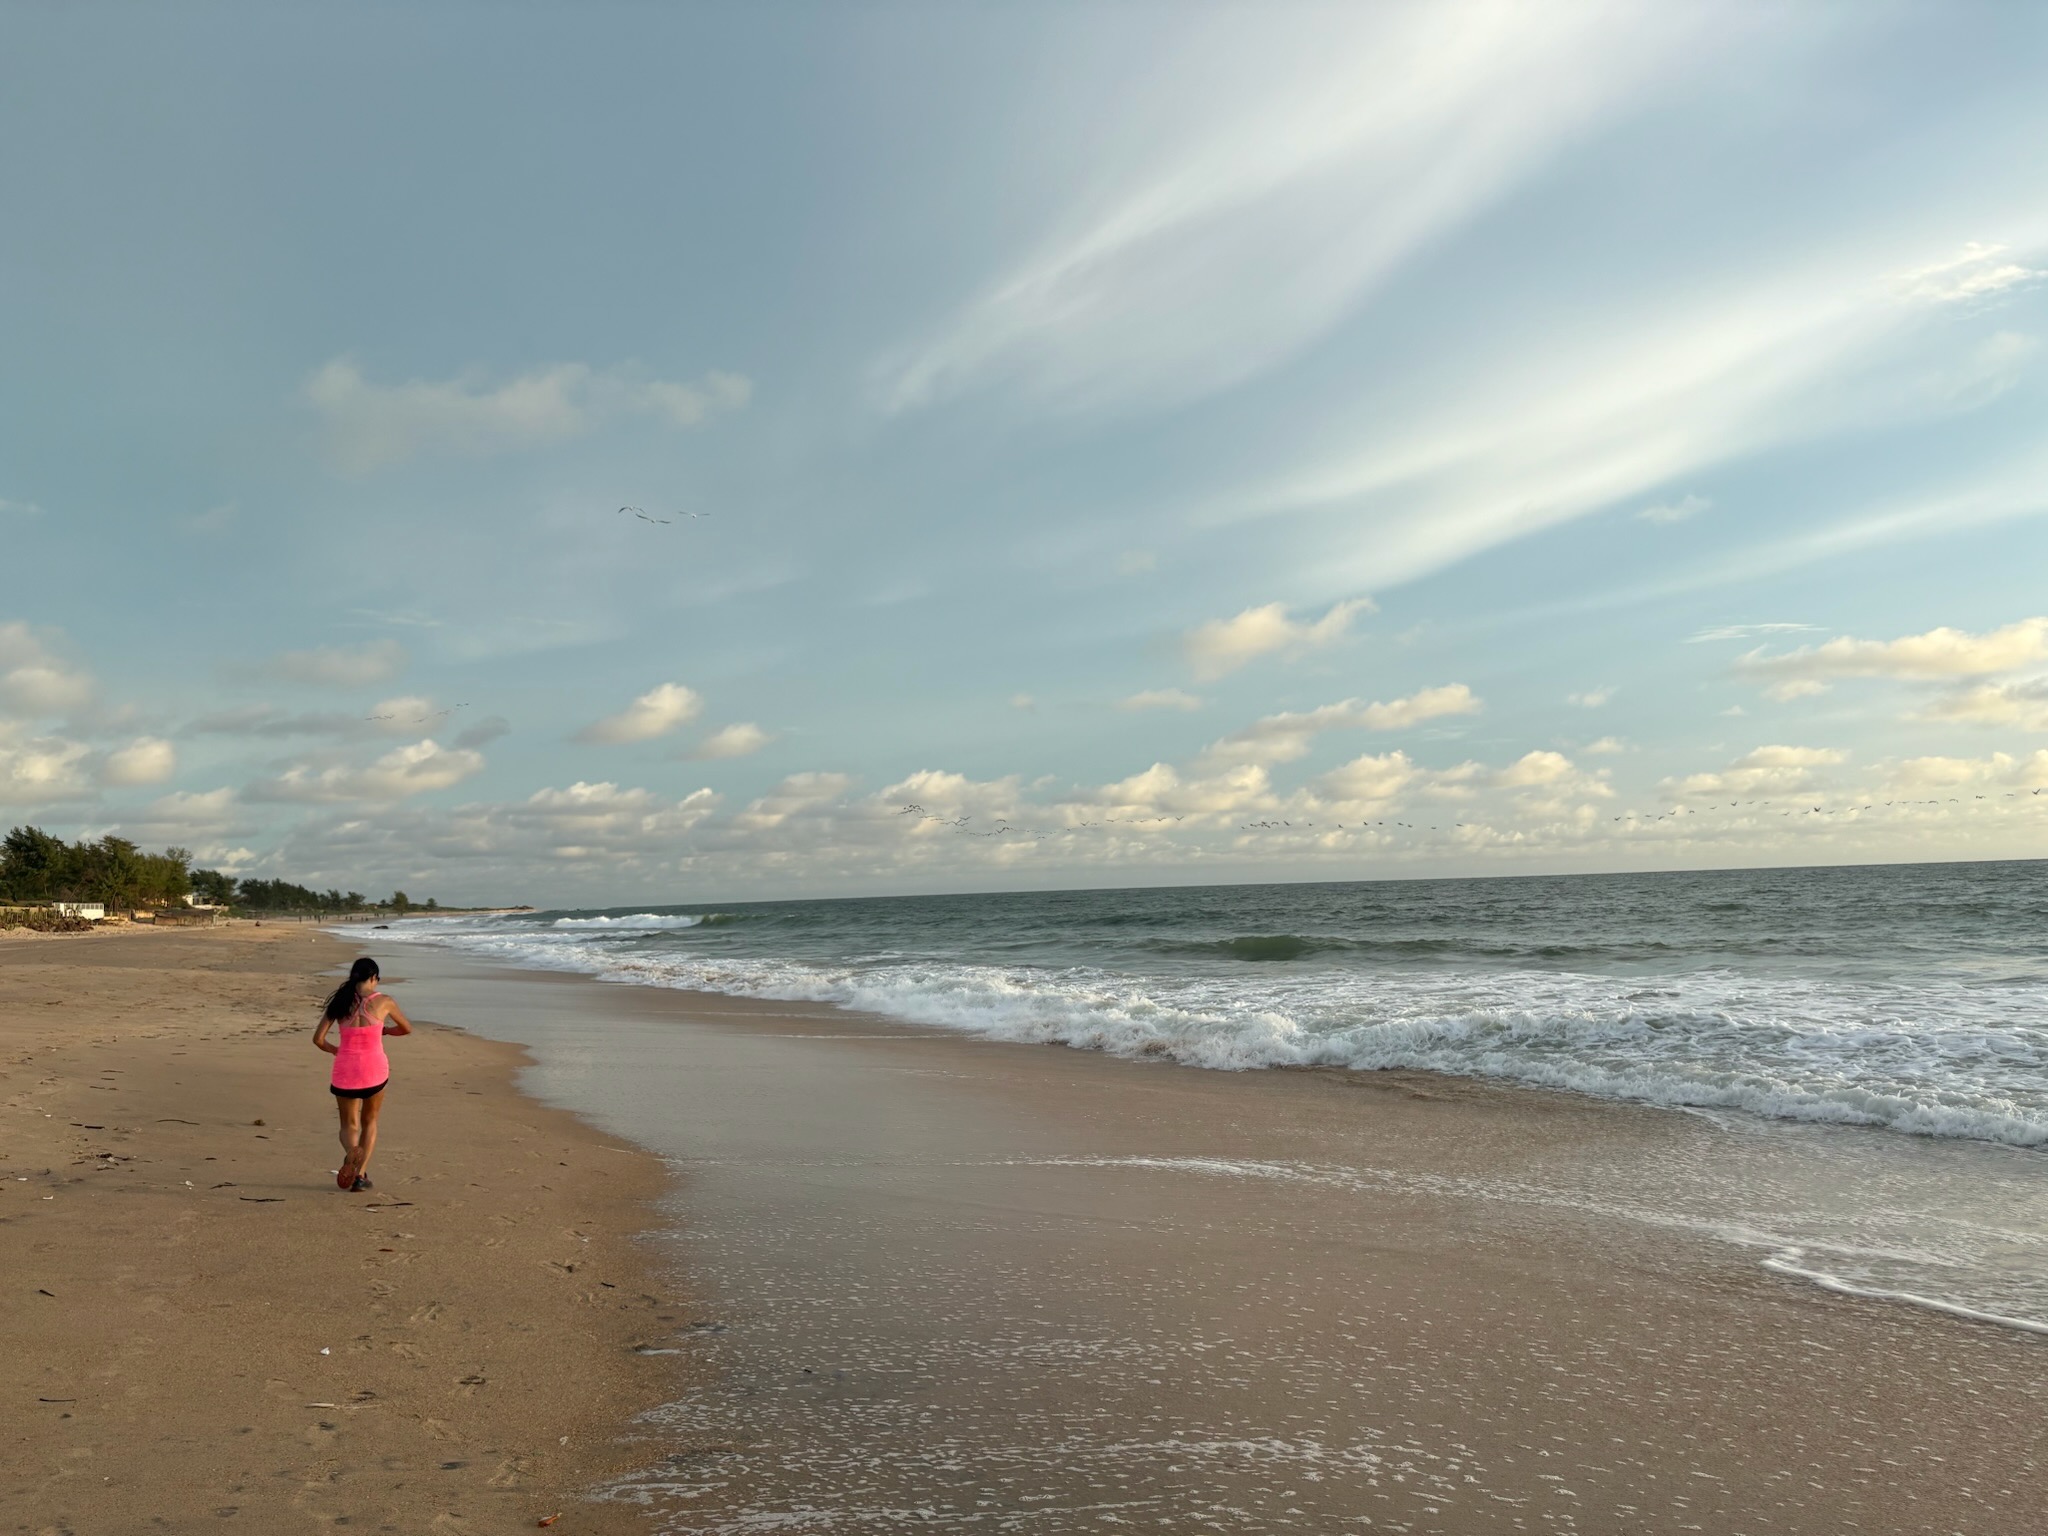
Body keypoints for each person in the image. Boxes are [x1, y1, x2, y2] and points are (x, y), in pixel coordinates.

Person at [313, 957, 412, 1192]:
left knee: (348, 1125)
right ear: (374, 978)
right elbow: (406, 1029)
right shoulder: (384, 1001)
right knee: (370, 1121)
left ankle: (351, 1153)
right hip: (374, 1070)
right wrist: (385, 1031)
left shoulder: (340, 1001)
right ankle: (360, 1176)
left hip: (345, 1069)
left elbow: (318, 1039)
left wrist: (336, 1050)